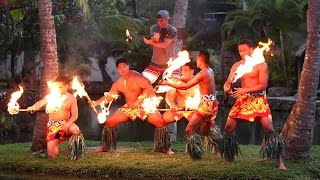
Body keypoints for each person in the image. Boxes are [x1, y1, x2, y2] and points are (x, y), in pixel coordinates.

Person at [222, 39, 286, 170]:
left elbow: (263, 85)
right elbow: (228, 82)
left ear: (251, 49)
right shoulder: (237, 65)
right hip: (243, 99)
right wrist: (226, 88)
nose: (242, 53)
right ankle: (229, 156)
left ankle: (279, 161)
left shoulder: (261, 65)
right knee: (228, 127)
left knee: (268, 128)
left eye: (244, 50)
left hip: (259, 99)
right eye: (240, 51)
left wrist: (244, 90)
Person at [90, 58, 173, 154]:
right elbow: (109, 97)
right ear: (117, 69)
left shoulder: (137, 76)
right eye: (120, 68)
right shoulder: (118, 83)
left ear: (128, 66)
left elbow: (148, 88)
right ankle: (105, 146)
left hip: (144, 105)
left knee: (160, 122)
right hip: (129, 107)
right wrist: (95, 103)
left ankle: (165, 148)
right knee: (110, 122)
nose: (122, 69)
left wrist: (138, 102)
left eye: (124, 66)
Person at [159, 51, 221, 160]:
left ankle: (196, 154)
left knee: (189, 130)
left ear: (201, 59)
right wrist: (179, 79)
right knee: (205, 130)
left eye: (197, 58)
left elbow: (185, 86)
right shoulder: (208, 71)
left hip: (205, 106)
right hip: (212, 104)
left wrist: (167, 83)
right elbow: (192, 80)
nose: (196, 60)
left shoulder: (203, 73)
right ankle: (219, 149)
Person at [27, 75, 85, 160]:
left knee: (75, 129)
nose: (59, 89)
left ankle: (76, 152)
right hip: (53, 126)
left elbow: (75, 116)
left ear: (66, 86)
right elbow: (40, 103)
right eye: (57, 87)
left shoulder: (71, 99)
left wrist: (68, 124)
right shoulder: (51, 95)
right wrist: (32, 107)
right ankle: (54, 144)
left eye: (61, 87)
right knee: (52, 155)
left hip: (65, 124)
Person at [142, 9, 178, 84]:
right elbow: (155, 42)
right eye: (158, 20)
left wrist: (149, 42)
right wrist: (155, 39)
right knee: (144, 82)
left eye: (161, 20)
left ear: (167, 20)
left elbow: (164, 45)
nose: (159, 22)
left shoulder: (172, 30)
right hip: (156, 62)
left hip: (170, 63)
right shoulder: (154, 28)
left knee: (175, 85)